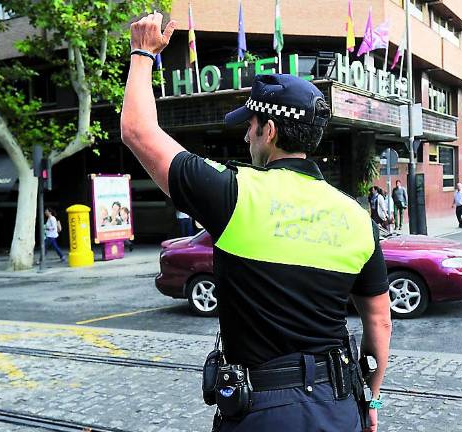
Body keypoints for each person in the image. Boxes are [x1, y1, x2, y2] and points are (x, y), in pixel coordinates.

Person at [120, 12, 391, 432]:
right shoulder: (357, 216)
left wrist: (142, 52)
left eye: (249, 126)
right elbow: (379, 323)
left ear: (269, 130)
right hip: (338, 405)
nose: (246, 137)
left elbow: (138, 131)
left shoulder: (233, 193)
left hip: (261, 411)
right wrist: (369, 396)